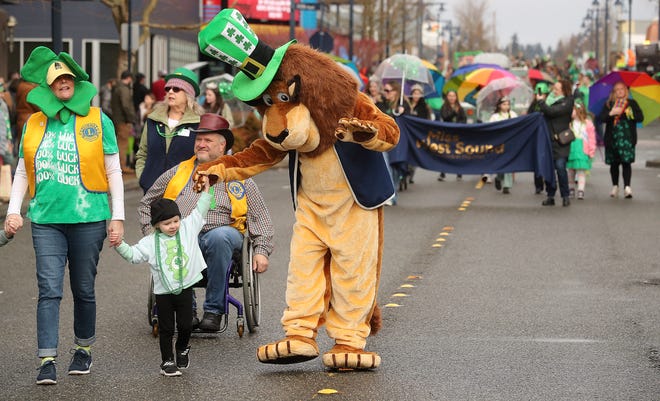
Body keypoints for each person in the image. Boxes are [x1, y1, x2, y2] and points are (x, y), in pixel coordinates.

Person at [3, 46, 124, 385]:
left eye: (68, 77)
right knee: (48, 288)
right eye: (58, 79)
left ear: (77, 82)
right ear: (48, 87)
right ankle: (46, 358)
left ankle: (83, 348)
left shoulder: (98, 119)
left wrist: (118, 216)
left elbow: (114, 170)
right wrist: (14, 211)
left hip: (89, 218)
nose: (64, 83)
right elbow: (24, 173)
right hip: (46, 219)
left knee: (83, 288)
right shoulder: (34, 124)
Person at [137, 113, 273, 332]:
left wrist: (261, 251)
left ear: (222, 146)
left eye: (207, 140)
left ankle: (213, 311)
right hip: (183, 236)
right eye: (198, 140)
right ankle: (186, 310)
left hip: (224, 236)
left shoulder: (239, 176)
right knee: (181, 238)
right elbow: (146, 204)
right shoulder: (177, 173)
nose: (200, 144)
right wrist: (150, 233)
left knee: (218, 237)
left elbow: (260, 216)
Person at [115, 178, 211, 377]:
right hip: (163, 292)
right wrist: (119, 245)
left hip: (185, 289)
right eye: (167, 223)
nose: (173, 226)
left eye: (175, 221)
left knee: (186, 325)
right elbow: (133, 256)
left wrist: (206, 192)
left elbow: (200, 210)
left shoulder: (187, 229)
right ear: (157, 225)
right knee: (166, 328)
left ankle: (182, 348)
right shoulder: (150, 242)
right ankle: (167, 361)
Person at [135, 67, 204, 193]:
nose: (170, 92)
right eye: (168, 88)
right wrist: (143, 178)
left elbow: (202, 159)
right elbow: (142, 153)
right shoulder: (153, 119)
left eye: (176, 89)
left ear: (188, 94)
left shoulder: (198, 124)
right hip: (152, 191)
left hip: (184, 193)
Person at [599, 81, 644, 199]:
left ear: (626, 91)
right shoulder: (609, 104)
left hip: (627, 138)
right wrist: (611, 113)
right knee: (614, 163)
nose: (619, 91)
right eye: (617, 89)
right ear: (613, 92)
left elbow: (640, 118)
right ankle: (615, 186)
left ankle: (627, 187)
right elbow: (602, 118)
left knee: (626, 162)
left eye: (622, 89)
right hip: (612, 138)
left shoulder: (632, 103)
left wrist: (629, 113)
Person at [536, 79, 574, 207]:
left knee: (560, 167)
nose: (554, 90)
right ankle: (550, 196)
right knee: (549, 169)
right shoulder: (549, 100)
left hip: (561, 140)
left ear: (564, 90)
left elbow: (552, 112)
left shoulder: (568, 101)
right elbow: (540, 112)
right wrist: (539, 102)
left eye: (557, 88)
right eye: (554, 88)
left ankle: (565, 195)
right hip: (548, 139)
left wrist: (541, 102)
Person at [381, 80, 410, 202]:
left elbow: (409, 121)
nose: (386, 93)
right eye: (385, 90)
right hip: (384, 141)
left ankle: (393, 192)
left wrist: (403, 112)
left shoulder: (403, 106)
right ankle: (391, 196)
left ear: (395, 92)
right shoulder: (382, 104)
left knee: (396, 168)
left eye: (388, 91)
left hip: (399, 143)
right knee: (387, 168)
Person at [567, 100, 597, 200]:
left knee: (581, 171)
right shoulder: (569, 124)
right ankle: (571, 189)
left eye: (573, 110)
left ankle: (581, 190)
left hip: (582, 150)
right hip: (571, 149)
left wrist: (591, 151)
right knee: (571, 171)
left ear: (579, 111)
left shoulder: (587, 124)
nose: (571, 112)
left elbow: (592, 138)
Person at [488, 96, 518, 194]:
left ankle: (507, 186)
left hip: (511, 142)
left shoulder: (513, 114)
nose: (506, 106)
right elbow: (490, 128)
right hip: (499, 143)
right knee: (501, 163)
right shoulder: (495, 117)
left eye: (508, 104)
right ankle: (499, 177)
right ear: (499, 105)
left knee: (509, 162)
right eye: (504, 104)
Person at [111, 70, 137, 173]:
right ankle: (122, 166)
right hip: (123, 120)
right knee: (123, 143)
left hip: (117, 119)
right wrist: (131, 118)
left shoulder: (116, 88)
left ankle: (119, 165)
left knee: (119, 142)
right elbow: (126, 105)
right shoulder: (124, 89)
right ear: (129, 78)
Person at [438, 89, 466, 181]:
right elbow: (445, 117)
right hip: (447, 134)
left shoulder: (460, 108)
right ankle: (442, 173)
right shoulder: (444, 107)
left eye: (453, 96)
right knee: (445, 152)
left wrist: (459, 124)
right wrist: (454, 112)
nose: (452, 98)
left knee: (458, 152)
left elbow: (464, 119)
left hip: (457, 133)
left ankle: (459, 172)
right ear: (447, 97)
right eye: (450, 96)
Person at [528, 82, 550, 194]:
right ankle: (538, 184)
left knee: (546, 160)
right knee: (536, 159)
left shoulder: (549, 104)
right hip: (535, 135)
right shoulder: (533, 106)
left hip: (547, 134)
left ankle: (548, 182)